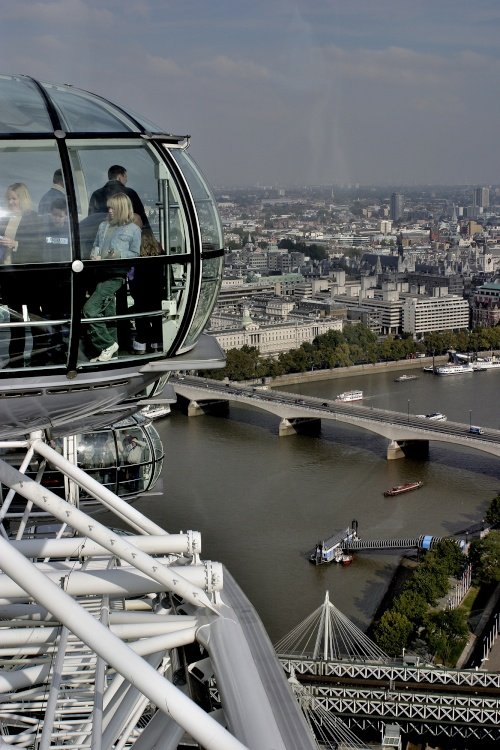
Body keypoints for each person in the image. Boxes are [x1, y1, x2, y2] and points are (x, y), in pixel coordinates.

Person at [83, 192, 141, 363]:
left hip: (115, 276)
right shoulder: (103, 226)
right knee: (109, 316)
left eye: (112, 208)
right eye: (108, 207)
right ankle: (111, 355)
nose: (109, 210)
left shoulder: (133, 229)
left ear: (121, 208)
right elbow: (96, 246)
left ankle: (106, 345)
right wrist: (94, 255)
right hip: (99, 274)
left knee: (89, 310)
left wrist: (118, 254)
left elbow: (135, 255)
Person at [0, 183, 46, 365]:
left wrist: (16, 244)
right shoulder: (6, 219)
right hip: (10, 276)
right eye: (9, 199)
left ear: (23, 198)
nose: (11, 202)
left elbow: (38, 247)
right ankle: (15, 360)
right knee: (15, 323)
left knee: (34, 319)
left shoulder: (33, 218)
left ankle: (39, 358)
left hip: (28, 278)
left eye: (14, 198)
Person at [129, 227, 164, 353]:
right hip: (157, 293)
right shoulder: (161, 256)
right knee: (157, 318)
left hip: (141, 294)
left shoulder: (136, 258)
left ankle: (142, 344)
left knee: (141, 319)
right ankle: (157, 342)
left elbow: (131, 276)